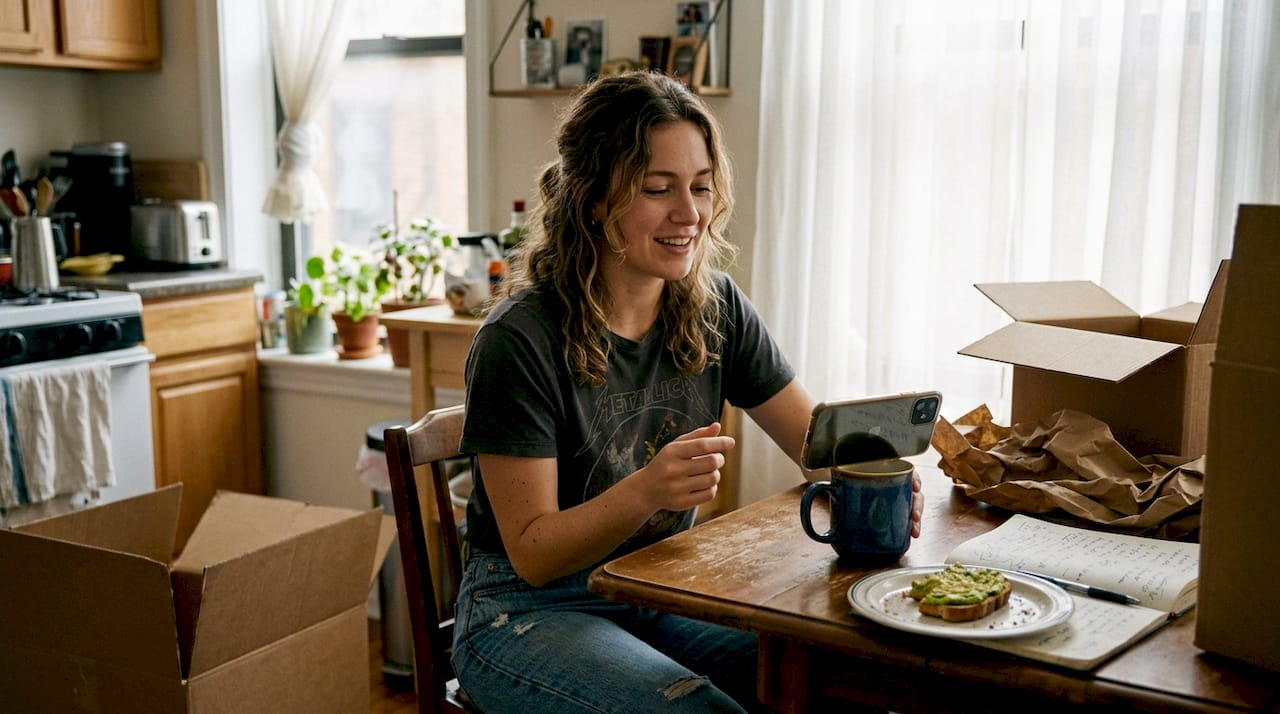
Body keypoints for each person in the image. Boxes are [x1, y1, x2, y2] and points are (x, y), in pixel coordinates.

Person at [453, 71, 924, 713]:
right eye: (658, 189)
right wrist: (647, 490)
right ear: (593, 199)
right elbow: (534, 554)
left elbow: (815, 444)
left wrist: (874, 482)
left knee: (837, 679)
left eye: (701, 187)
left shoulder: (714, 306)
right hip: (524, 613)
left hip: (657, 591)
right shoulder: (520, 340)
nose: (690, 213)